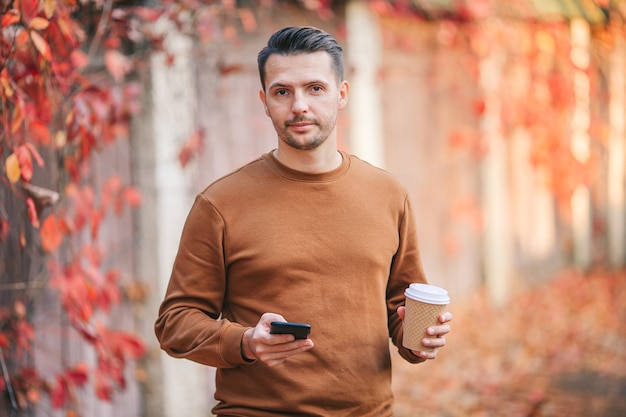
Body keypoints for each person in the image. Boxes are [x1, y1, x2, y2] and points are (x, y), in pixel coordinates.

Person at [155, 26, 452, 416]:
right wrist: (245, 341)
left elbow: (401, 305)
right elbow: (175, 323)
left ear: (341, 94)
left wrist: (418, 339)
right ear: (264, 101)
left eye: (315, 88)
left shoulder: (388, 194)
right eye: (282, 92)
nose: (299, 106)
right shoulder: (220, 204)